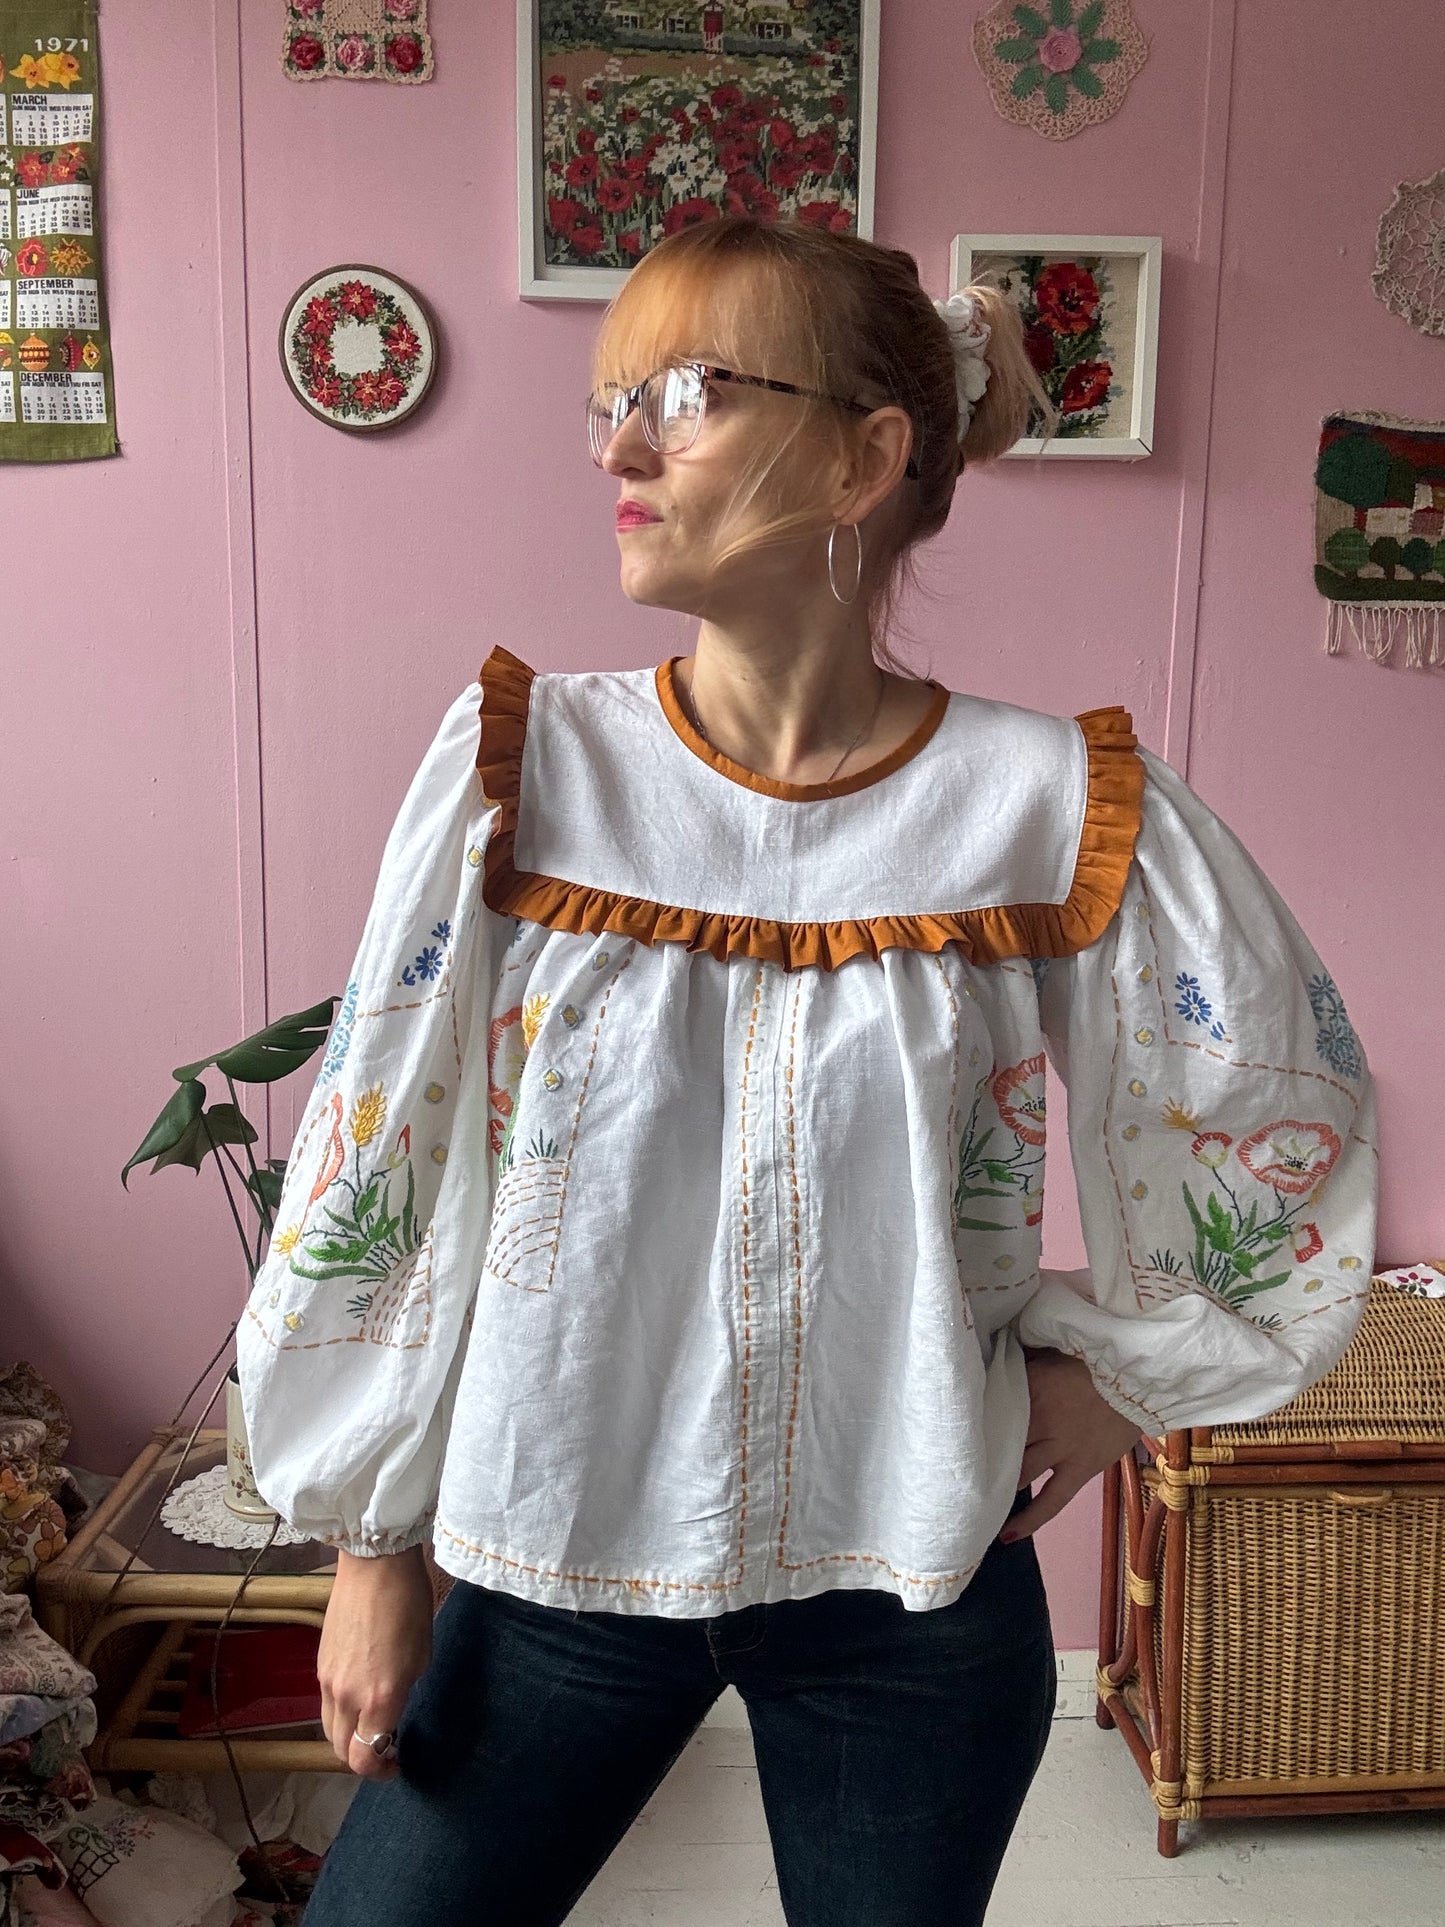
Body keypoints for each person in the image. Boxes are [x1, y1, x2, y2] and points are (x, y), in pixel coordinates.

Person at [237, 215, 1378, 1925]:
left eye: (687, 392)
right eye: (612, 394)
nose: (622, 444)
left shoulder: (1051, 806)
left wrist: (1123, 1372)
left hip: (910, 1588)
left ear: (866, 456)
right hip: (553, 1554)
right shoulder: (526, 771)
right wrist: (368, 1543)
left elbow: (1267, 1118)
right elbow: (378, 1155)